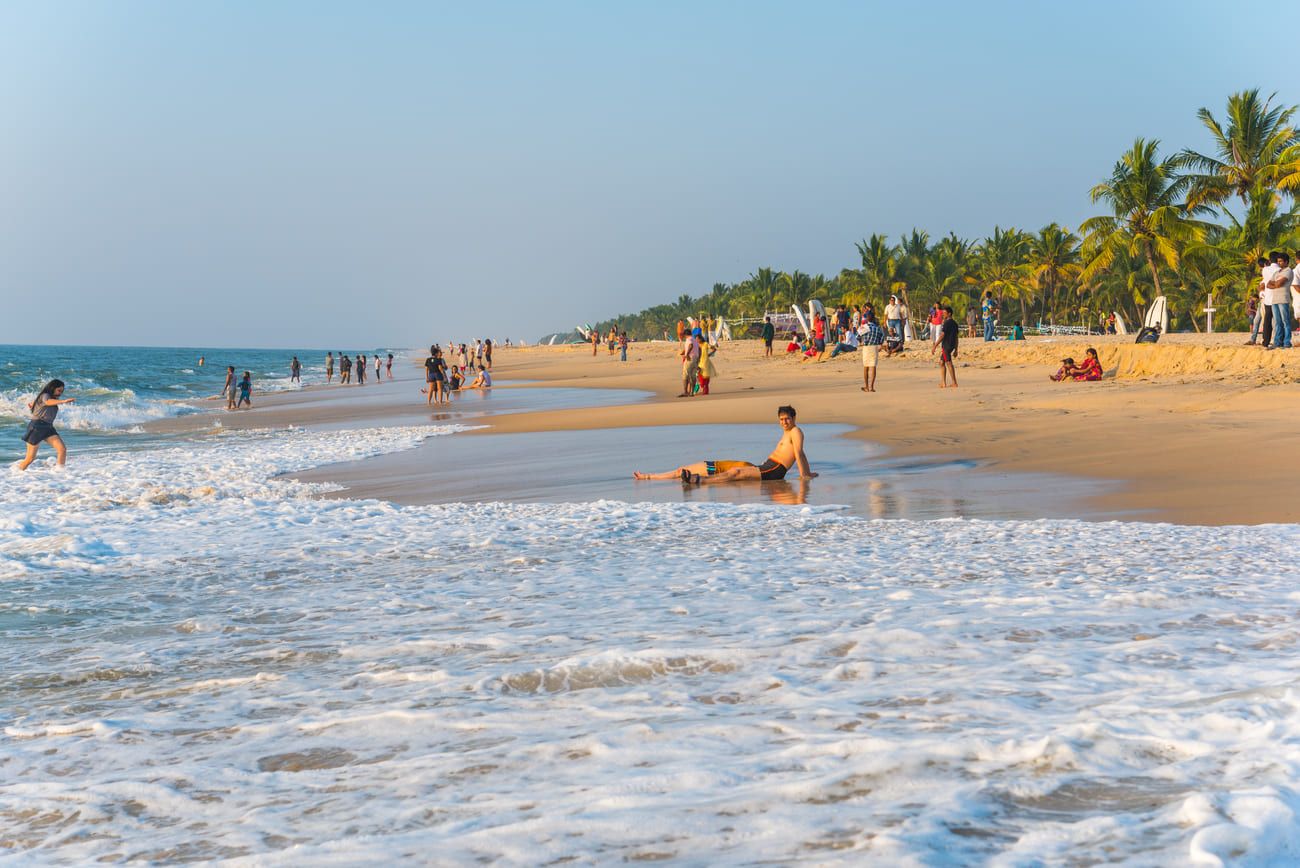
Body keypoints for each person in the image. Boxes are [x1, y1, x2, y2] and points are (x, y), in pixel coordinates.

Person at [633, 405, 817, 484]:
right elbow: (801, 453)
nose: (784, 422)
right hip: (768, 466)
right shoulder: (788, 433)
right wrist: (807, 472)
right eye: (782, 419)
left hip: (774, 470)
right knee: (734, 474)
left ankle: (700, 481)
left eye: (787, 419)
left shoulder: (796, 431)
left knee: (735, 472)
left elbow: (799, 453)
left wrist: (804, 475)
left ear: (794, 418)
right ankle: (650, 477)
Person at [17, 379, 74, 470]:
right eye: (59, 390)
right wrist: (63, 401)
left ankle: (60, 473)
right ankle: (17, 473)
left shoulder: (49, 398)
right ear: (52, 388)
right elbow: (47, 402)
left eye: (62, 391)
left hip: (48, 428)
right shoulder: (45, 395)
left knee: (62, 449)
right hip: (37, 427)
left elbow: (41, 404)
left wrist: (34, 405)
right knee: (30, 459)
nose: (60, 393)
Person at [1263, 251, 1294, 350]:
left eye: (1281, 261)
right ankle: (1277, 342)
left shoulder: (1288, 271)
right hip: (1274, 299)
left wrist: (1275, 284)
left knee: (1285, 322)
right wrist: (1275, 284)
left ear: (1286, 262)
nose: (1279, 263)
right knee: (1277, 322)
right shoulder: (1277, 272)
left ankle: (1286, 342)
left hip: (1283, 299)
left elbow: (1279, 284)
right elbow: (1268, 284)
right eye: (1278, 261)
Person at [933, 305, 959, 388]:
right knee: (941, 362)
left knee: (948, 363)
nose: (943, 314)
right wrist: (956, 349)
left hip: (946, 345)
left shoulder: (946, 323)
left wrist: (935, 346)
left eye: (944, 313)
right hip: (951, 346)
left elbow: (942, 335)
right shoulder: (955, 323)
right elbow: (956, 337)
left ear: (949, 314)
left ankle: (954, 383)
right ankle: (943, 383)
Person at [858, 313, 885, 392]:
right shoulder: (877, 328)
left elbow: (857, 336)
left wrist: (861, 341)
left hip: (866, 348)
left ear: (867, 319)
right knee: (873, 367)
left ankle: (866, 386)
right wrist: (879, 343)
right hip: (874, 347)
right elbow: (882, 338)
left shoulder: (864, 327)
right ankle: (872, 387)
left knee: (866, 367)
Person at [679, 328, 701, 397]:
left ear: (685, 334)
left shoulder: (689, 339)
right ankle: (691, 392)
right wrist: (698, 359)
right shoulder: (695, 340)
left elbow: (690, 346)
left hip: (690, 358)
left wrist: (687, 354)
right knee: (693, 376)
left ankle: (686, 392)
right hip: (695, 359)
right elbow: (699, 349)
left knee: (685, 375)